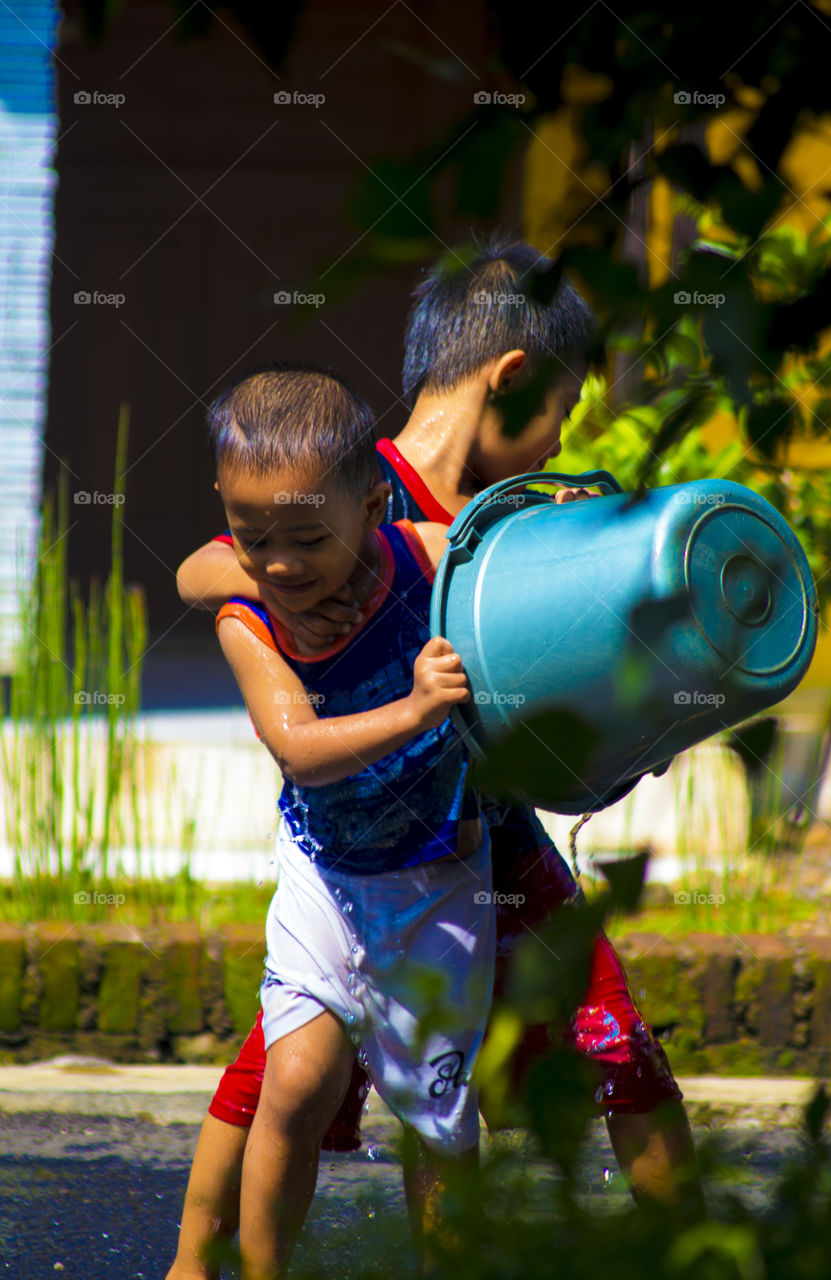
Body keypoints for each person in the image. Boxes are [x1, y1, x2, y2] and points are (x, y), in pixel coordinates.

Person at [167, 237, 701, 1280]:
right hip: (359, 836)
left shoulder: (502, 529)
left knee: (597, 1032)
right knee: (292, 1065)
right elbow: (211, 567)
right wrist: (259, 585)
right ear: (515, 376)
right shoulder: (348, 493)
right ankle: (195, 1261)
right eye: (562, 408)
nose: (559, 438)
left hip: (473, 821)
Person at [205, 362, 496, 1279]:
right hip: (325, 873)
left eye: (306, 538)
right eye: (255, 539)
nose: (282, 565)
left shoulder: (424, 554)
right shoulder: (247, 617)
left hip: (440, 875)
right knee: (290, 1085)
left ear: (373, 507)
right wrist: (414, 711)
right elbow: (298, 748)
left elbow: (518, 564)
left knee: (437, 1119)